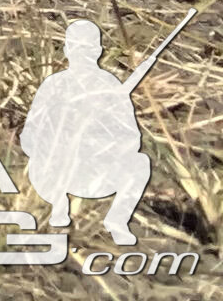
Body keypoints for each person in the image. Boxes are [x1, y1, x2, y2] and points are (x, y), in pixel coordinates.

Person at [21, 19, 150, 246]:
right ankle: (58, 209)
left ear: (98, 51)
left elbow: (132, 139)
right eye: (78, 47)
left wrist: (100, 144)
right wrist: (60, 143)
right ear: (68, 50)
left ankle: (117, 220)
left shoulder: (110, 86)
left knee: (140, 163)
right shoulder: (53, 85)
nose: (82, 54)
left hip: (95, 174)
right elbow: (29, 137)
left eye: (86, 48)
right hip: (55, 175)